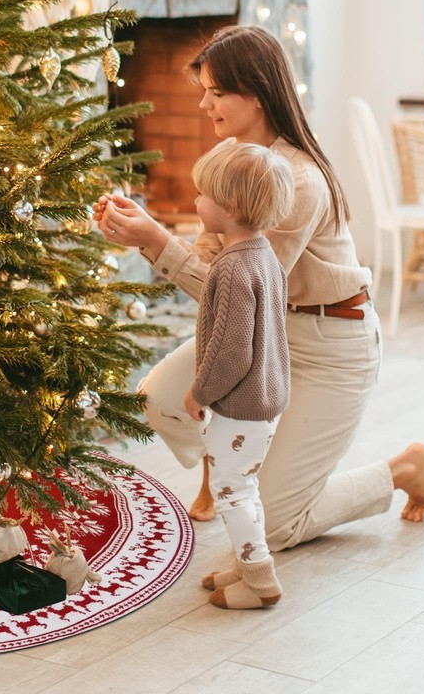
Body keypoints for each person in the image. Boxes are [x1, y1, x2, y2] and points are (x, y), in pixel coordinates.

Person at [94, 25, 424, 558]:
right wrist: (148, 233)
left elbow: (241, 294)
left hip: (330, 345)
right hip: (270, 334)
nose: (204, 103)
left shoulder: (295, 182)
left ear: (254, 94)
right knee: (160, 399)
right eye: (203, 90)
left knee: (274, 526)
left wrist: (157, 241)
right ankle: (226, 462)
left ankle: (401, 469)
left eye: (216, 92)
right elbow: (216, 266)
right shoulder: (235, 161)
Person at [183, 141, 294, 609]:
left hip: (240, 401)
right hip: (266, 396)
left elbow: (230, 352)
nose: (196, 202)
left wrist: (199, 392)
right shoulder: (263, 253)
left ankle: (260, 580)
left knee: (232, 489)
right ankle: (245, 562)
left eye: (203, 196)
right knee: (240, 483)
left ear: (228, 207)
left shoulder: (231, 269)